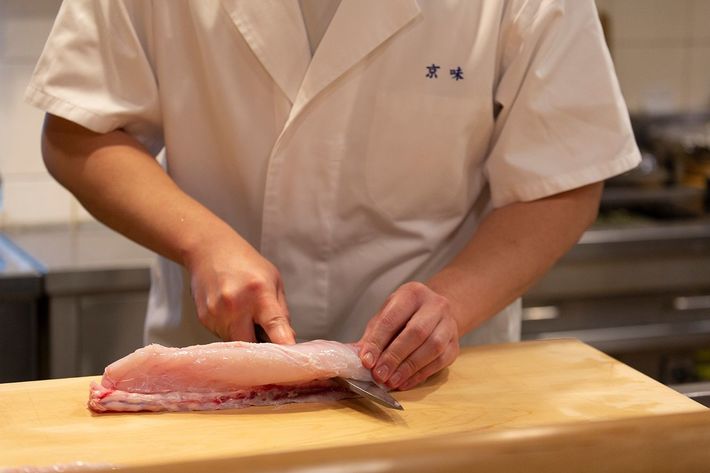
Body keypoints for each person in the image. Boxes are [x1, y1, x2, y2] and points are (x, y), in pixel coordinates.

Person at [27, 0, 640, 391]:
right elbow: (78, 131)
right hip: (212, 370)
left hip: (435, 386)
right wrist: (202, 243)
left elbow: (566, 175)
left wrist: (451, 305)